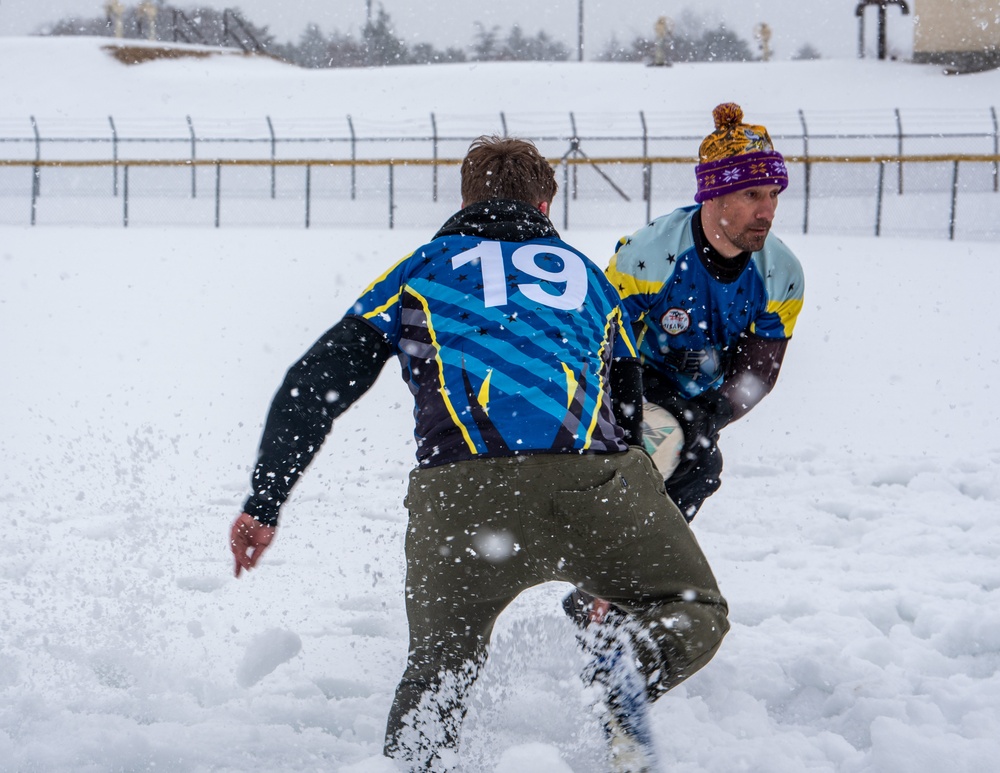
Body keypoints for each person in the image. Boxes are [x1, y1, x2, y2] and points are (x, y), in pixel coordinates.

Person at [229, 135, 729, 771]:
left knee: (440, 669)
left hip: (462, 497)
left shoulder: (423, 268)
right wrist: (624, 529)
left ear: (465, 200)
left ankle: (417, 763)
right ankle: (637, 656)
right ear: (546, 205)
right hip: (595, 483)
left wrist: (266, 501)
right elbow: (627, 406)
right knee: (696, 609)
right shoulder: (592, 281)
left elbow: (314, 385)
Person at [564, 103, 804, 624]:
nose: (767, 210)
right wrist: (646, 412)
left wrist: (709, 416)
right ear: (714, 196)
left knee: (698, 464)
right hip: (631, 382)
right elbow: (601, 347)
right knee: (650, 458)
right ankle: (606, 588)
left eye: (774, 195)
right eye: (752, 195)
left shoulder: (781, 272)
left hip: (700, 401)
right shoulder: (648, 255)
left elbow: (760, 370)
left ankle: (618, 591)